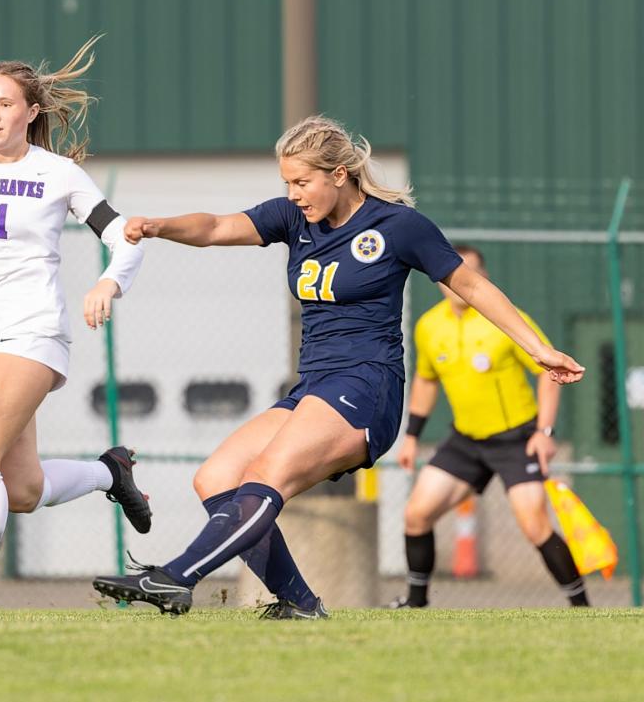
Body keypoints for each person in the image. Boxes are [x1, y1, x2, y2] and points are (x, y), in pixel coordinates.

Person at [91, 115, 584, 617]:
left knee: (265, 475)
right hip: (313, 387)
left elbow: (472, 286)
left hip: (368, 386)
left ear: (340, 174)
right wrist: (158, 226)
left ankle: (176, 578)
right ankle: (300, 606)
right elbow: (216, 226)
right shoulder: (292, 218)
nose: (294, 193)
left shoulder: (397, 225)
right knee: (215, 478)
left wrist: (537, 349)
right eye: (287, 182)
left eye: (302, 181)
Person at [0, 36, 151, 616]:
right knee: (20, 489)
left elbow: (123, 237)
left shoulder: (58, 173)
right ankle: (108, 472)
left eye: (6, 104)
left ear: (32, 112)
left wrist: (109, 282)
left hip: (34, 328)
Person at [389, 245, 588, 608]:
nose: (459, 282)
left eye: (472, 272)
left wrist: (544, 434)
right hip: (465, 439)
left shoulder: (509, 320)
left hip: (517, 439)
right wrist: (412, 438)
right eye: (451, 274)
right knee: (417, 513)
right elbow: (426, 380)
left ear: (484, 278)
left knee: (535, 526)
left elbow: (547, 376)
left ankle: (583, 607)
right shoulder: (429, 326)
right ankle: (416, 604)